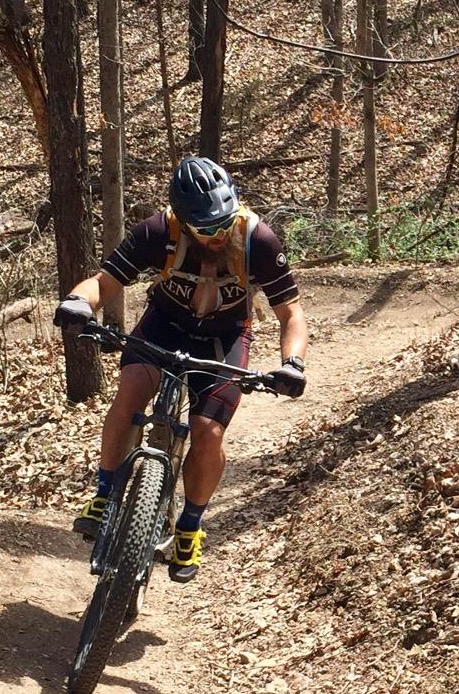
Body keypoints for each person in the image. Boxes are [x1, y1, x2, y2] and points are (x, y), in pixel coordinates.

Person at [53, 157, 308, 582]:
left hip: (222, 338)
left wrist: (293, 363)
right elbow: (104, 282)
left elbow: (291, 314)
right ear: (184, 220)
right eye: (205, 228)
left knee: (208, 430)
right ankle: (103, 494)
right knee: (131, 388)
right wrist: (79, 302)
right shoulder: (159, 231)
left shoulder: (258, 240)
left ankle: (189, 525)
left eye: (223, 222)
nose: (217, 235)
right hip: (164, 325)